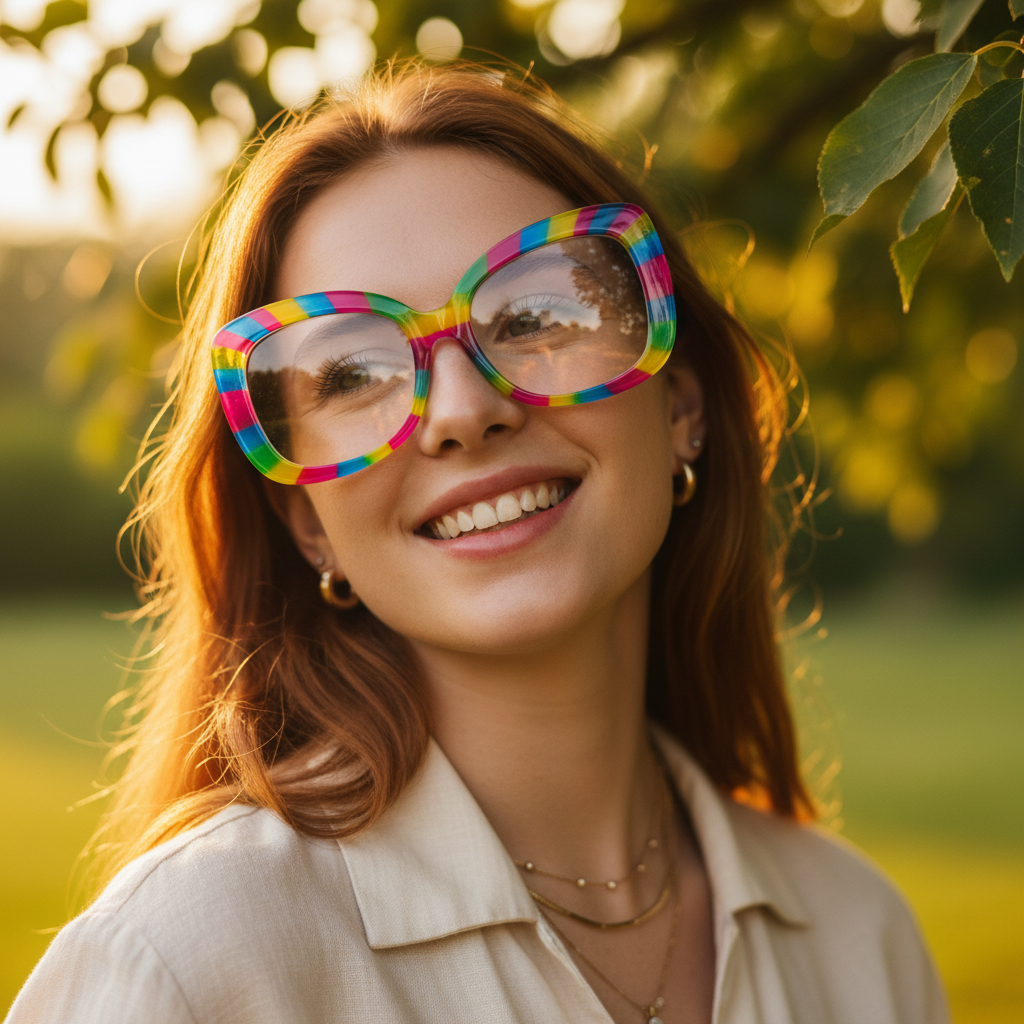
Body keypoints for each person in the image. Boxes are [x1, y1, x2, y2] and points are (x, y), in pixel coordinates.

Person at [6, 62, 947, 1024]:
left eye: (535, 316)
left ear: (682, 409)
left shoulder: (858, 937)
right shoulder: (190, 965)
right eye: (352, 373)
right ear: (304, 521)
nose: (461, 410)